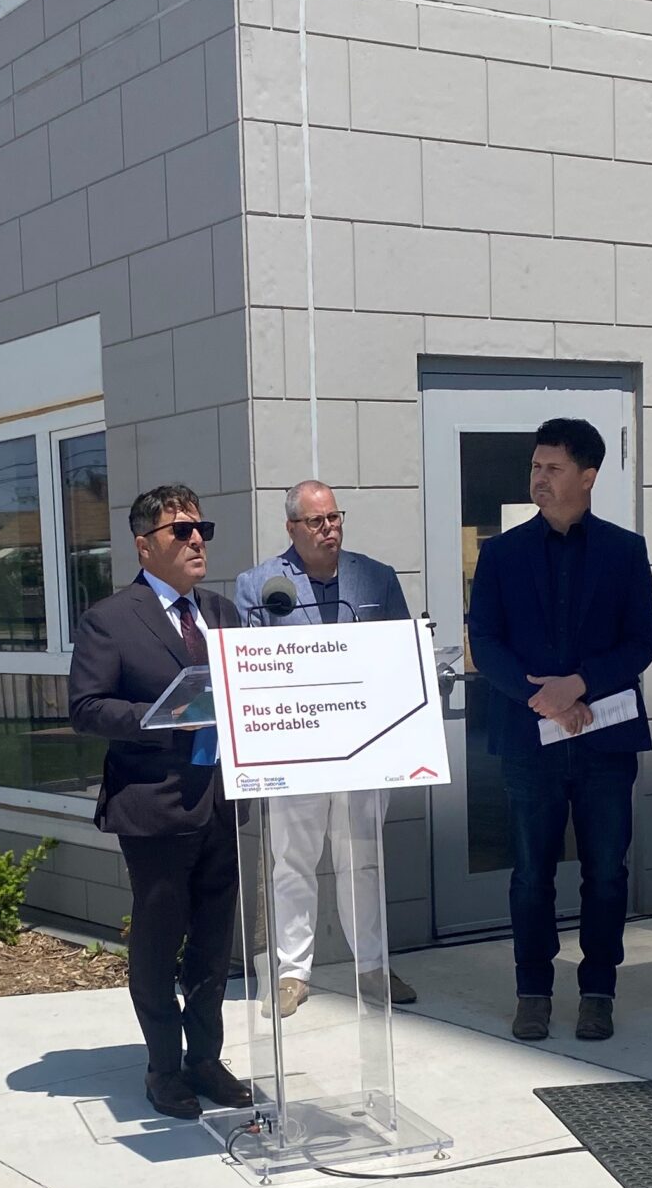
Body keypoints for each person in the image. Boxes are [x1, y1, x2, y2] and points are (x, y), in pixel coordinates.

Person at [466, 416, 652, 1044]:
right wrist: (539, 697)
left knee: (606, 871)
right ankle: (533, 991)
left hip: (604, 738)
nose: (539, 479)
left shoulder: (625, 552)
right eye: (535, 467)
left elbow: (640, 642)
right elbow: (485, 643)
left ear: (588, 475)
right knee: (531, 872)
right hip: (529, 741)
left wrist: (579, 685)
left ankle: (598, 990)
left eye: (552, 468)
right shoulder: (500, 553)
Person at [68, 484, 251, 1120]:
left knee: (211, 943)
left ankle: (205, 1059)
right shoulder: (112, 619)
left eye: (202, 528)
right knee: (158, 939)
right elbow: (86, 708)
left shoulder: (223, 614)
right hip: (154, 807)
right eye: (181, 531)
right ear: (145, 545)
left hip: (222, 803)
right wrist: (165, 716)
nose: (197, 539)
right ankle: (163, 1067)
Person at [232, 478, 417, 1015]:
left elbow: (400, 651)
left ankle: (372, 967)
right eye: (317, 521)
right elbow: (250, 667)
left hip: (363, 746)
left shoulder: (375, 579)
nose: (329, 529)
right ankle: (293, 973)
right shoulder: (260, 585)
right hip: (297, 750)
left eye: (335, 518)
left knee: (363, 858)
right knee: (292, 860)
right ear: (292, 527)